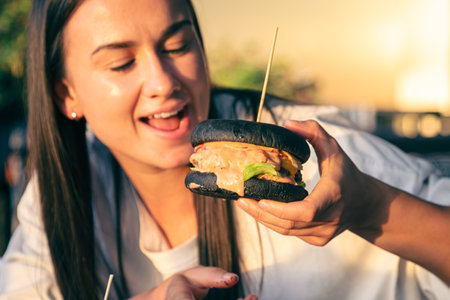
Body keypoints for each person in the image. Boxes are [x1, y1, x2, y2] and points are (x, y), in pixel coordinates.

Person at [0, 0, 449, 299]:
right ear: (66, 95)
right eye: (121, 62)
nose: (163, 82)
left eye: (178, 45)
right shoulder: (64, 193)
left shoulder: (327, 159)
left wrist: (370, 207)